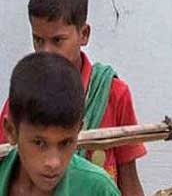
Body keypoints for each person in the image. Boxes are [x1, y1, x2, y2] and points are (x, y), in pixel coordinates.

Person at [0, 0, 146, 196]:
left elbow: (129, 176)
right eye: (38, 40)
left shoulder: (112, 93)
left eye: (57, 41)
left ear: (84, 34)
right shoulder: (21, 101)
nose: (46, 52)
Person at [1, 52, 120, 196]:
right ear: (11, 131)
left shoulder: (98, 190)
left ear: (78, 131)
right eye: (39, 143)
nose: (53, 163)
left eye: (66, 143)